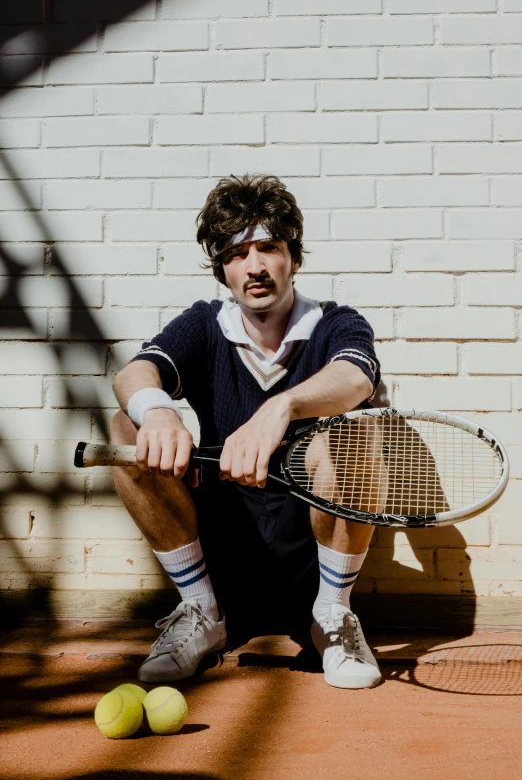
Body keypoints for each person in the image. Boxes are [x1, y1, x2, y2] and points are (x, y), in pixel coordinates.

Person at [110, 174, 382, 690]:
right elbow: (133, 374)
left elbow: (356, 378)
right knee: (129, 424)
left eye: (269, 248)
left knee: (355, 433)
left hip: (313, 562)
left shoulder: (336, 323)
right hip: (220, 554)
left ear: (294, 259)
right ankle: (200, 611)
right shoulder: (205, 323)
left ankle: (333, 616)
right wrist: (161, 413)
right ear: (223, 270)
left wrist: (282, 407)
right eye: (237, 254)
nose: (254, 266)